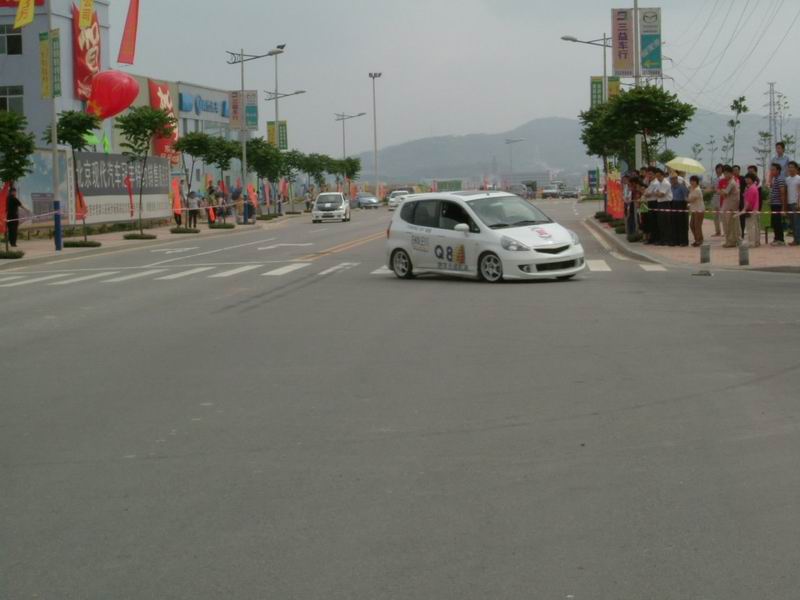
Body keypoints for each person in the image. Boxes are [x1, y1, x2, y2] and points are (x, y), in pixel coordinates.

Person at [720, 165, 741, 248]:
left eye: (726, 173)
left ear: (730, 173)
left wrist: (720, 191)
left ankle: (731, 242)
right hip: (728, 206)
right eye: (724, 173)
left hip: (730, 207)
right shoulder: (730, 182)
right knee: (729, 224)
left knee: (730, 225)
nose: (725, 175)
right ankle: (730, 241)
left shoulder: (732, 182)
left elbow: (725, 193)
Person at [768, 162, 787, 246]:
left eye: (773, 170)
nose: (771, 171)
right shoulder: (774, 179)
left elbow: (782, 193)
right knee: (774, 222)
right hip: (773, 204)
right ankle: (776, 238)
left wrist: (783, 207)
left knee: (777, 222)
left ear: (778, 170)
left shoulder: (780, 179)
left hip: (778, 204)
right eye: (771, 170)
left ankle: (781, 239)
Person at [741, 173, 761, 247]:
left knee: (750, 227)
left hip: (751, 210)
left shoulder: (752, 188)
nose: (746, 180)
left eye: (748, 178)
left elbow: (749, 201)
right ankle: (756, 242)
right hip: (754, 210)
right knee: (754, 227)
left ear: (752, 179)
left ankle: (751, 242)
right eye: (746, 178)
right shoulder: (752, 187)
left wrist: (744, 209)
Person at [670, 172, 690, 246]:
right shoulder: (671, 187)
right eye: (671, 179)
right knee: (674, 223)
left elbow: (686, 195)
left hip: (681, 204)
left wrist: (687, 203)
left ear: (676, 179)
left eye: (673, 179)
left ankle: (683, 241)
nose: (672, 180)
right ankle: (675, 240)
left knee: (682, 224)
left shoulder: (682, 186)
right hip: (673, 204)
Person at [654, 169, 673, 245]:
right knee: (660, 222)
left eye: (659, 176)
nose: (657, 178)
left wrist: (657, 193)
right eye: (656, 176)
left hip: (665, 203)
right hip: (660, 203)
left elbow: (661, 194)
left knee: (666, 222)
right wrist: (657, 193)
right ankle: (662, 239)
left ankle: (667, 240)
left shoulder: (666, 183)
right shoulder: (659, 183)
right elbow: (655, 192)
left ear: (662, 175)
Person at [785, 160, 800, 245]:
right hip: (789, 203)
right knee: (792, 223)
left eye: (792, 167)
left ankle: (798, 240)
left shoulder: (798, 178)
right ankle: (795, 239)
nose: (790, 169)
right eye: (789, 167)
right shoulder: (787, 179)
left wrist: (798, 203)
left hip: (796, 203)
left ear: (796, 168)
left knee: (797, 222)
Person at [688, 175, 705, 246]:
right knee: (692, 225)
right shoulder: (692, 189)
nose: (692, 182)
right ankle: (698, 239)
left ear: (697, 182)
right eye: (691, 181)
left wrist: (685, 199)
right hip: (694, 210)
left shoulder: (697, 190)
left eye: (693, 181)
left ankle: (699, 240)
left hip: (699, 210)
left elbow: (691, 200)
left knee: (697, 225)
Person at [707, 164, 724, 236]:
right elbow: (712, 188)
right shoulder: (714, 179)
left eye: (720, 168)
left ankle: (725, 232)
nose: (718, 170)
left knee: (722, 216)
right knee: (715, 216)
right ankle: (718, 231)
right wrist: (707, 190)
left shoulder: (723, 178)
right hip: (715, 198)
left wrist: (716, 190)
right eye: (717, 168)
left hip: (721, 198)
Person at [733, 165, 746, 237]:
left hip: (741, 200)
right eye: (733, 170)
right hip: (733, 200)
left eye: (736, 170)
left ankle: (742, 233)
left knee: (742, 217)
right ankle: (735, 234)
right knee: (733, 217)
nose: (735, 171)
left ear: (739, 171)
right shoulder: (731, 179)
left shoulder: (742, 178)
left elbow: (747, 187)